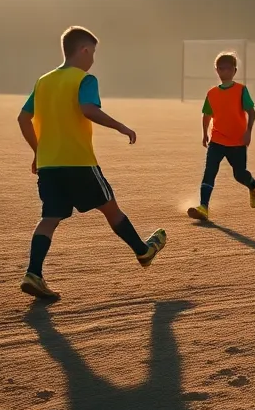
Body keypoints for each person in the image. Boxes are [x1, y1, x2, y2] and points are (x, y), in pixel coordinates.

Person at [16, 26, 167, 299]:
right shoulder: (85, 79)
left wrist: (38, 153)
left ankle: (34, 273)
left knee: (49, 218)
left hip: (49, 165)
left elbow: (23, 119)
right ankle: (143, 252)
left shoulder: (43, 81)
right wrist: (119, 126)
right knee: (111, 208)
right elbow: (87, 109)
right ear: (84, 50)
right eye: (93, 52)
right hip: (79, 162)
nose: (93, 59)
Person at [187, 52, 255, 221]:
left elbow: (251, 111)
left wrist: (248, 131)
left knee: (239, 174)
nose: (224, 72)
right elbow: (206, 114)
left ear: (234, 71)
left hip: (237, 141)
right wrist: (205, 133)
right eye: (221, 69)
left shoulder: (241, 90)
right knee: (209, 171)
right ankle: (204, 207)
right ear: (216, 70)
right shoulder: (212, 93)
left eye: (228, 69)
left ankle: (253, 184)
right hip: (217, 140)